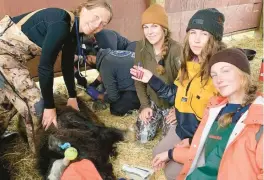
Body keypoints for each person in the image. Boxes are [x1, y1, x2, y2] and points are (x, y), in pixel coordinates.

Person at [0, 0, 112, 152]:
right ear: (84, 9)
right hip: (4, 55)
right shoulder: (61, 23)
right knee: (37, 105)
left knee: (8, 100)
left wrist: (72, 96)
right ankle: (42, 154)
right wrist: (49, 106)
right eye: (96, 17)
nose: (97, 25)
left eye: (103, 24)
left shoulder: (73, 31)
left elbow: (66, 65)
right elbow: (45, 67)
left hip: (13, 57)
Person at [130, 8, 226, 179]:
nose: (196, 39)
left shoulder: (219, 71)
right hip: (184, 127)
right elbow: (175, 93)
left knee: (173, 172)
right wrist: (151, 78)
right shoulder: (189, 62)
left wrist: (187, 145)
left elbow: (220, 123)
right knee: (157, 153)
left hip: (203, 136)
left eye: (204, 34)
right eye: (193, 32)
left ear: (214, 38)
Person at [169, 48, 262, 180]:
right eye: (214, 74)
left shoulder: (258, 116)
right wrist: (171, 153)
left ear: (243, 73)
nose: (218, 79)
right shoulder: (214, 109)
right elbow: (208, 154)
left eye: (225, 71)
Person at [134, 4, 182, 142]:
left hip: (172, 104)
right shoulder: (140, 47)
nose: (149, 32)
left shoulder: (177, 50)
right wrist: (145, 105)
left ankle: (166, 121)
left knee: (168, 142)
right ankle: (157, 118)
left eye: (154, 26)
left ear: (164, 28)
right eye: (145, 27)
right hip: (153, 101)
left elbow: (186, 84)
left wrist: (179, 111)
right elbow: (138, 80)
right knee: (142, 138)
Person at [83, 48, 140, 116]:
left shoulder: (104, 66)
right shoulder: (109, 54)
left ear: (90, 57)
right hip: (147, 77)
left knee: (115, 108)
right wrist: (94, 84)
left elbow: (113, 98)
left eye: (87, 64)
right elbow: (109, 71)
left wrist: (98, 95)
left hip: (143, 90)